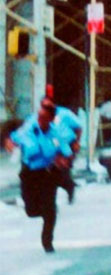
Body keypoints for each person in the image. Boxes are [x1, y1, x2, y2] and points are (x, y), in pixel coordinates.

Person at [4, 98, 74, 252]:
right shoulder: (28, 129)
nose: (40, 119)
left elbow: (67, 154)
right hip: (29, 173)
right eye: (39, 116)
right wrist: (10, 145)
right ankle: (49, 207)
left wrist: (63, 160)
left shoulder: (56, 134)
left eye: (43, 117)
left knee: (49, 210)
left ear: (50, 119)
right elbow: (12, 140)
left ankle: (47, 242)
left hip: (48, 173)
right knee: (31, 211)